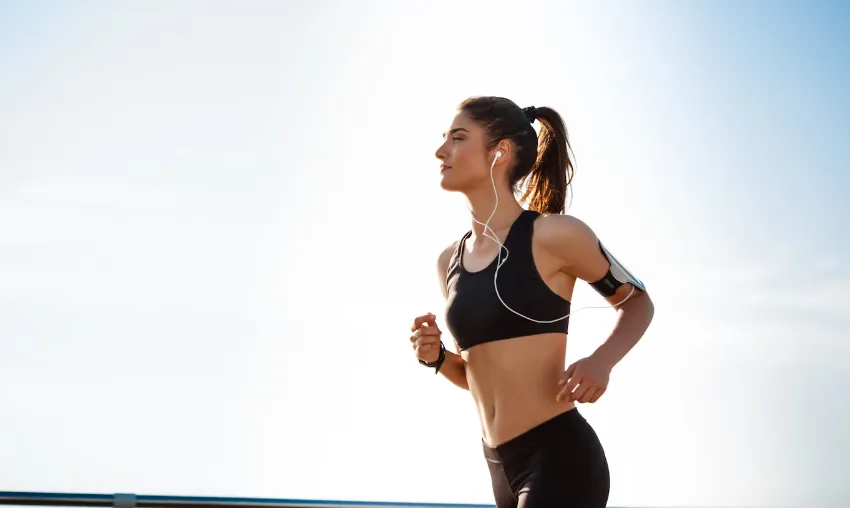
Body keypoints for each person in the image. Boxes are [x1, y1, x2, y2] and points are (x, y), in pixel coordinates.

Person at [409, 96, 655, 508]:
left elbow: (638, 302)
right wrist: (438, 358)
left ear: (500, 152)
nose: (441, 150)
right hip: (498, 465)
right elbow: (478, 377)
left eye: (458, 138)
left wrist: (602, 361)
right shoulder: (447, 262)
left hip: (559, 456)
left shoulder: (556, 235)